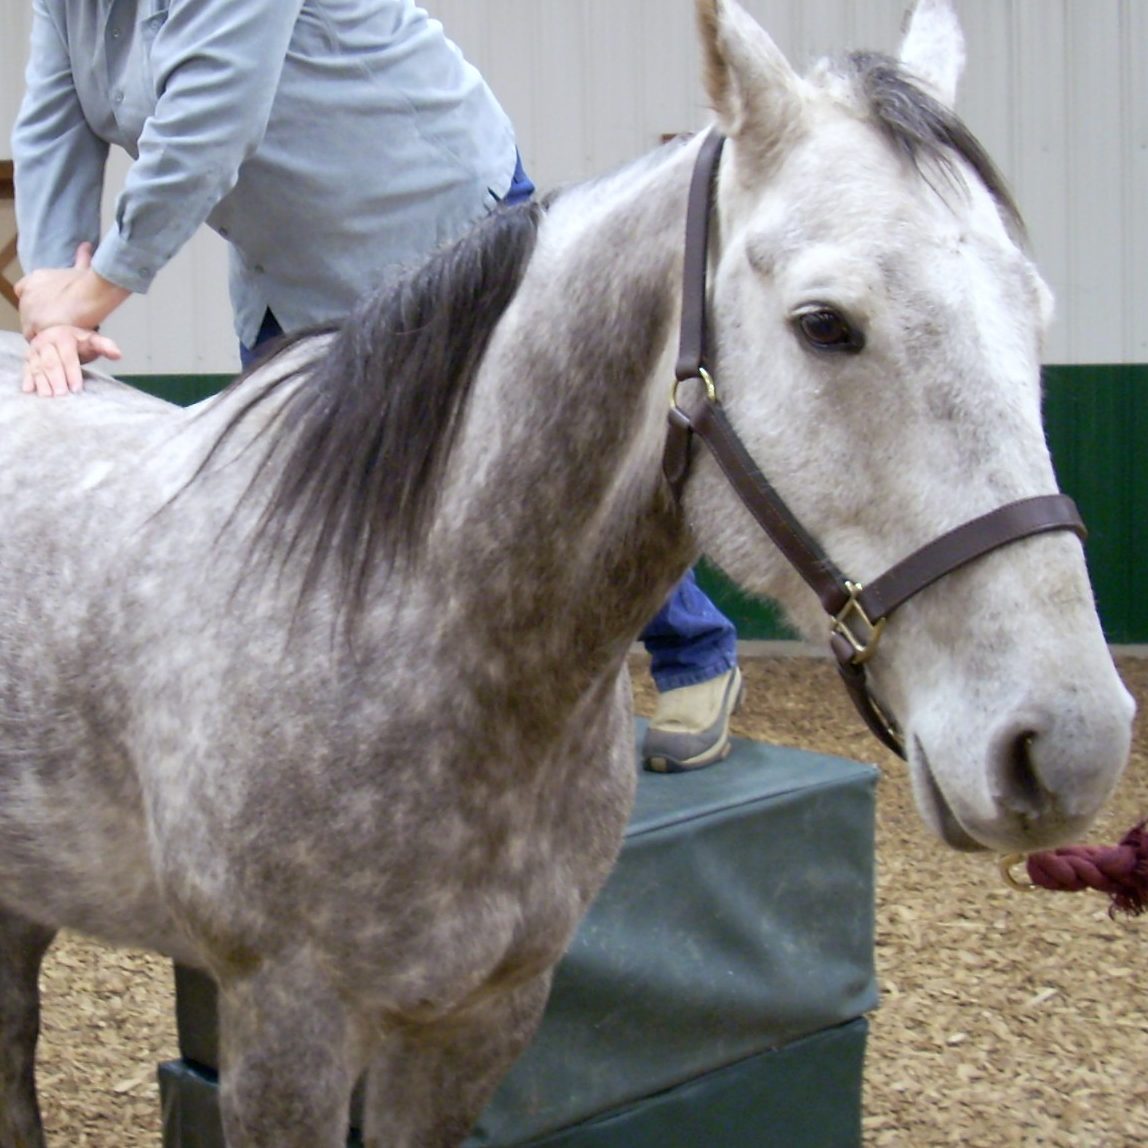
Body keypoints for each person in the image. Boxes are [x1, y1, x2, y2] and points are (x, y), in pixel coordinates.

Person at [12, 0, 741, 771]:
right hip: (286, 270)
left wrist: (98, 289)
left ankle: (696, 655)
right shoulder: (65, 7)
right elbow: (54, 136)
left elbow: (211, 120)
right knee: (292, 507)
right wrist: (54, 302)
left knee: (548, 469)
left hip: (437, 215)